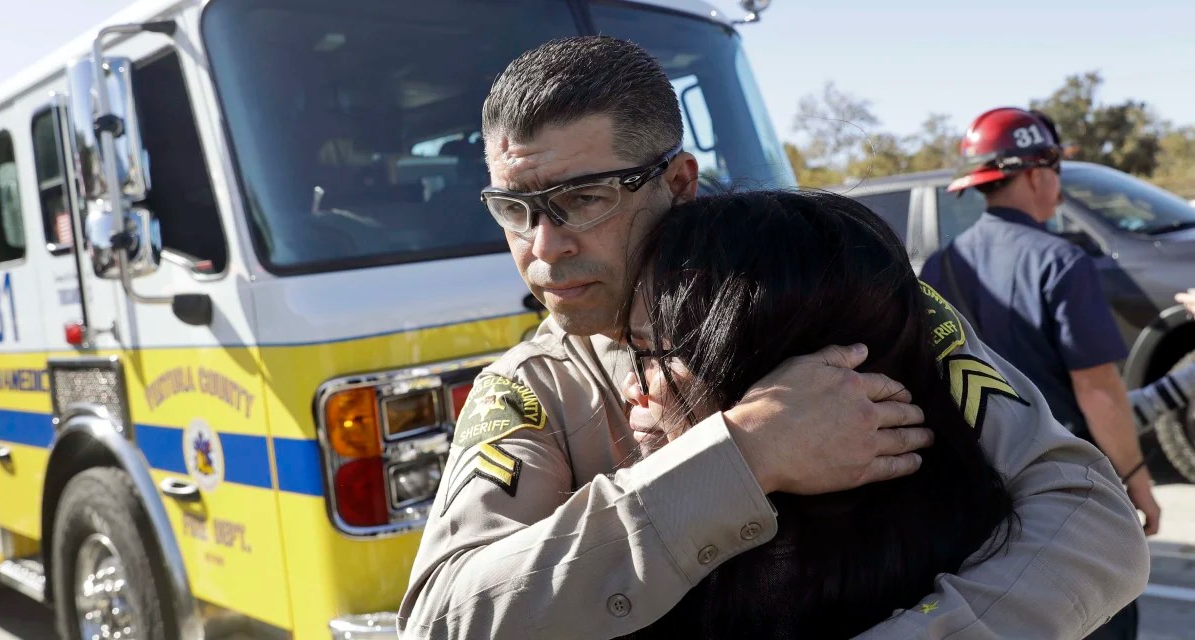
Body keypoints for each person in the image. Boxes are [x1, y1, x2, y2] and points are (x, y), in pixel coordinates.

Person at [400, 37, 1148, 639]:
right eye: (513, 210)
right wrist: (739, 455)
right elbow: (443, 620)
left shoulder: (850, 297)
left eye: (583, 200)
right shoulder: (532, 388)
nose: (544, 246)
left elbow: (1089, 514)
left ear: (681, 183)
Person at [614, 190, 1017, 639]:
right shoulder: (980, 537)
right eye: (635, 351)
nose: (632, 386)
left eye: (655, 354)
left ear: (798, 380)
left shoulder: (728, 581)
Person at [921, 106, 1158, 639]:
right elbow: (1098, 390)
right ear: (1035, 173)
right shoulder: (1061, 262)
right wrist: (1138, 483)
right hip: (1061, 496)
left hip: (975, 500)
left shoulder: (940, 266)